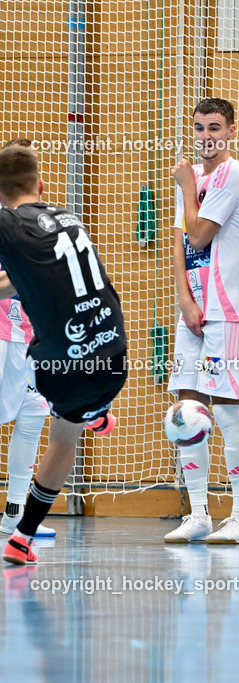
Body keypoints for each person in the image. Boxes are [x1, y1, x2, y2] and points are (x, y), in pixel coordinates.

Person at [0, 145, 126, 565]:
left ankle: (22, 537)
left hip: (63, 367)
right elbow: (23, 278)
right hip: (115, 352)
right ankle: (96, 413)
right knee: (72, 411)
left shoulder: (8, 225)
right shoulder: (68, 218)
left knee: (61, 436)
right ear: (41, 184)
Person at [164, 98, 239, 544]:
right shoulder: (193, 178)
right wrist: (184, 299)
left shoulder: (231, 175)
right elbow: (180, 243)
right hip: (194, 308)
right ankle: (199, 513)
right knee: (186, 409)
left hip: (228, 307)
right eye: (200, 128)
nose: (206, 136)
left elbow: (200, 233)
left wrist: (187, 186)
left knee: (224, 407)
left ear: (231, 131)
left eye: (215, 128)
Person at [0, 139, 54, 539]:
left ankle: (15, 512)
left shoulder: (41, 220)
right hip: (2, 332)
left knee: (34, 416)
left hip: (32, 337)